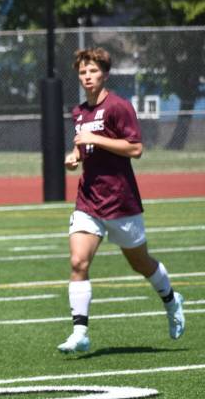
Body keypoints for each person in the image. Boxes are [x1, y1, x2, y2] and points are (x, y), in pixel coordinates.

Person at [59, 47, 185, 353]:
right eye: (83, 72)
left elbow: (136, 149)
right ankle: (80, 332)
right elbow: (83, 148)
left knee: (140, 263)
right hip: (88, 200)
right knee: (78, 262)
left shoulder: (118, 106)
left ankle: (171, 299)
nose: (87, 77)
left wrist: (95, 139)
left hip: (120, 201)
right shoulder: (79, 112)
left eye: (93, 71)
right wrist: (74, 157)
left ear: (105, 73)